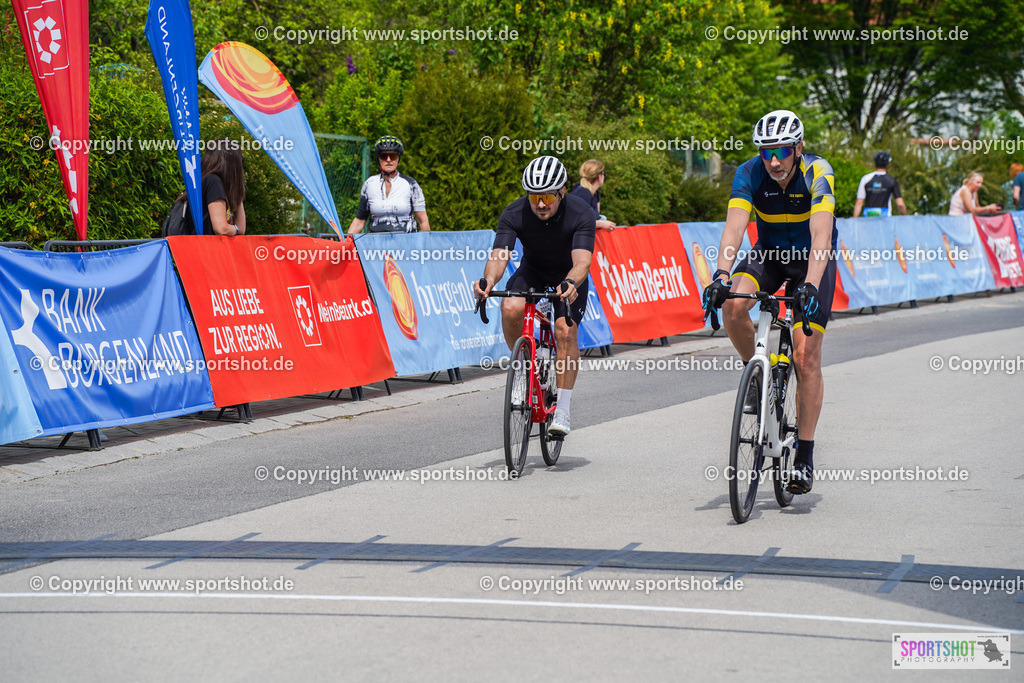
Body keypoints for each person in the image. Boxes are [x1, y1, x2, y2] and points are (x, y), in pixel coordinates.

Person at [703, 109, 837, 495]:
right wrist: (721, 275)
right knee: (732, 306)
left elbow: (821, 235)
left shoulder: (818, 171)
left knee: (805, 357)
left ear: (798, 148)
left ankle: (805, 455)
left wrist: (810, 284)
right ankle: (758, 376)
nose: (774, 161)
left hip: (812, 261)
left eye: (781, 151)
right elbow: (735, 226)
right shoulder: (749, 173)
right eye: (766, 152)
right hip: (770, 254)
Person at [473, 156, 595, 438]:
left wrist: (571, 282)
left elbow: (582, 261)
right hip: (534, 270)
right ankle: (522, 370)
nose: (540, 204)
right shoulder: (514, 212)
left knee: (565, 330)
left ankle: (562, 409)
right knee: (510, 306)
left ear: (561, 192)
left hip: (568, 275)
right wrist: (488, 281)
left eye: (547, 197)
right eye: (533, 197)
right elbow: (499, 255)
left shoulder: (581, 212)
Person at [347, 135, 430, 234]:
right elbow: (360, 220)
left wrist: (426, 242)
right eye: (384, 156)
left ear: (398, 158)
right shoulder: (369, 184)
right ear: (378, 158)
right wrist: (345, 242)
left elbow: (422, 221)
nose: (389, 160)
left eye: (393, 155)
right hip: (377, 241)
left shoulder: (411, 184)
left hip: (406, 240)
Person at [853, 152, 907, 217]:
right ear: (887, 165)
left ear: (875, 164)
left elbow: (859, 202)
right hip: (885, 217)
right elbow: (900, 204)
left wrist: (854, 220)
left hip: (867, 219)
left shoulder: (865, 179)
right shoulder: (891, 180)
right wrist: (904, 218)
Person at [569, 159, 618, 231]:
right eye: (604, 173)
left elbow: (595, 218)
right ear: (600, 176)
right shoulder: (583, 193)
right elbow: (576, 223)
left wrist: (602, 223)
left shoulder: (594, 193)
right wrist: (601, 224)